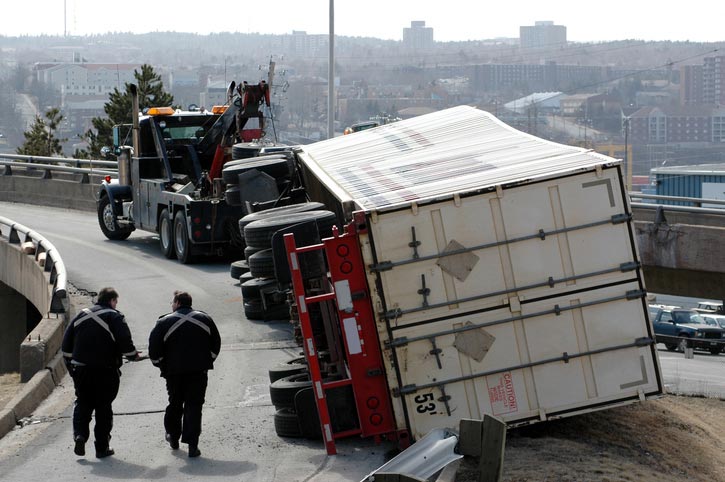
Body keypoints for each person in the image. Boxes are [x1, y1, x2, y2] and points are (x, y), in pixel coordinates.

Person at [61, 287, 145, 459]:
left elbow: (66, 346)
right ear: (112, 300)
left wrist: (72, 368)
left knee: (82, 403)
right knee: (103, 408)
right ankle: (102, 447)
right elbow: (124, 341)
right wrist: (133, 356)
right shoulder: (115, 316)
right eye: (116, 302)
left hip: (82, 369)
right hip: (106, 371)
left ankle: (80, 435)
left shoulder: (81, 315)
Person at [148, 290, 221, 458]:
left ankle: (173, 436)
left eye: (172, 303)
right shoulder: (205, 319)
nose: (171, 306)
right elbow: (215, 344)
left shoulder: (163, 322)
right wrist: (206, 361)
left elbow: (154, 350)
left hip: (173, 373)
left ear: (178, 303)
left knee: (175, 403)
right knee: (194, 406)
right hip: (198, 372)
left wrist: (161, 366)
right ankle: (193, 444)